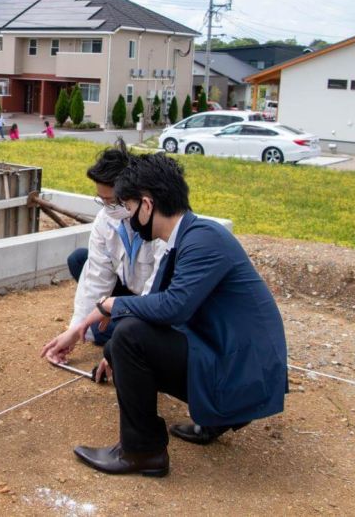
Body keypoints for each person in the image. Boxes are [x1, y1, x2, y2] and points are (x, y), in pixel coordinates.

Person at [42, 153, 287, 477]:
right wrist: (89, 331)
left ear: (147, 205)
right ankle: (219, 417)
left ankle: (142, 451)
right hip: (230, 359)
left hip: (244, 370)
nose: (127, 219)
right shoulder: (186, 237)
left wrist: (111, 306)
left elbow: (174, 307)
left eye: (128, 209)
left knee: (127, 336)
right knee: (118, 345)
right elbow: (154, 304)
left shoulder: (203, 239)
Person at [64, 140, 165, 349]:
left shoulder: (159, 224)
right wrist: (76, 328)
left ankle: (123, 330)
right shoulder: (106, 218)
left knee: (111, 333)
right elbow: (96, 276)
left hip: (152, 297)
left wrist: (122, 312)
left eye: (111, 200)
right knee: (80, 260)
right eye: (101, 200)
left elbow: (157, 290)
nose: (107, 207)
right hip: (126, 289)